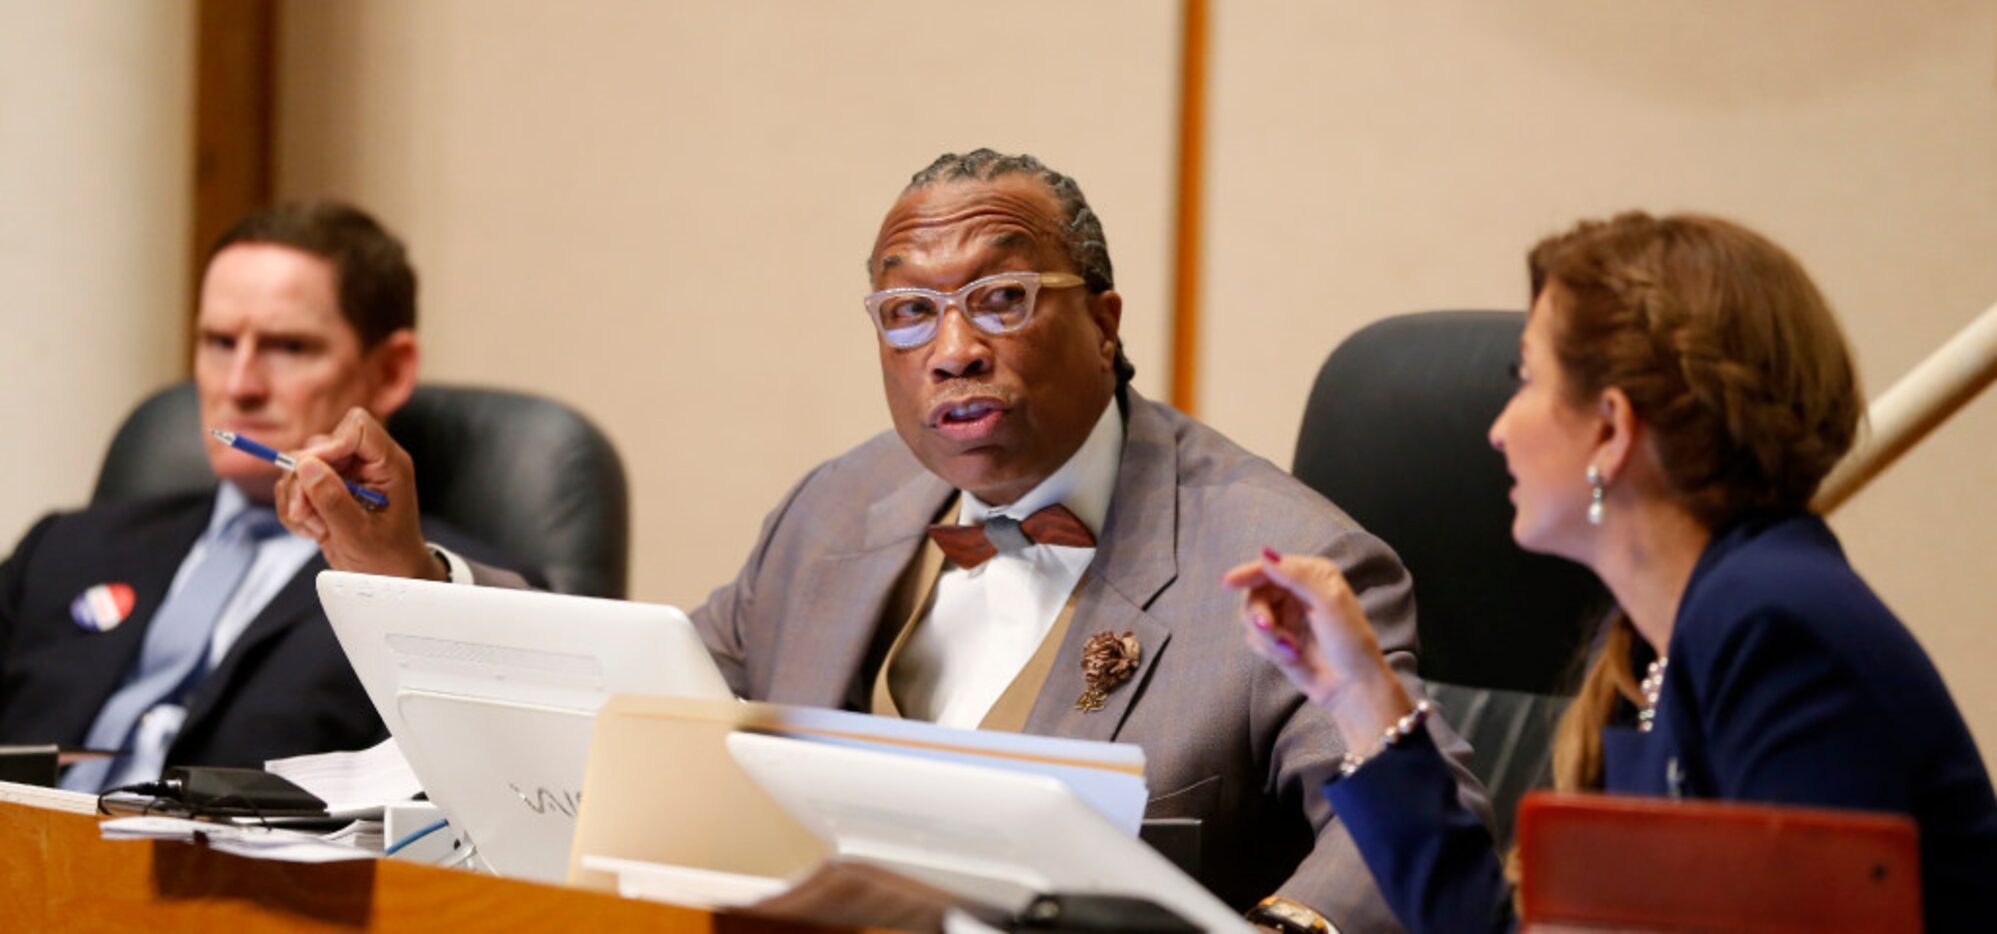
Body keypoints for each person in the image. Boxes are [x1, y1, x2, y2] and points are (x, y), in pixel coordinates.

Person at [273, 150, 1489, 928]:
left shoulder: (1275, 556)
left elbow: (1412, 848)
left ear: (1106, 323)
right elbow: (649, 705)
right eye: (906, 312)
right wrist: (409, 574)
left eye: (1001, 299)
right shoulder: (837, 510)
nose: (950, 347)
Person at [1227, 211, 1997, 931]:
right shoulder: (1654, 641)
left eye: (1525, 379)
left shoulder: (1773, 627)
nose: (1497, 431)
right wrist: (1355, 690)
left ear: (1610, 427)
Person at [0, 201, 533, 793]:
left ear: (389, 372)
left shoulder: (430, 585)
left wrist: (403, 579)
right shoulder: (63, 548)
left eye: (288, 347)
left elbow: (499, 790)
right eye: (219, 342)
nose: (240, 386)